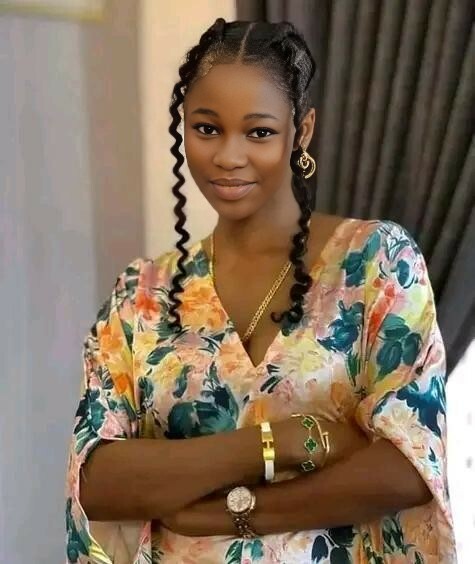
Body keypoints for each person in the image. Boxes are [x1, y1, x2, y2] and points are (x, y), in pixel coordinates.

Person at [65, 18, 456, 564]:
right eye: (207, 129)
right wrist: (285, 442)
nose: (229, 156)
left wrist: (227, 512)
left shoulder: (376, 263)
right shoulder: (141, 293)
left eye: (259, 133)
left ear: (303, 132)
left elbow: (407, 462)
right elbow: (97, 478)